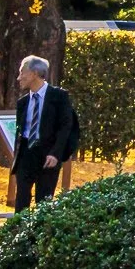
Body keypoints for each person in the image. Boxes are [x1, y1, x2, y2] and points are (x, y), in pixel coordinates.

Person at [7, 56, 80, 210]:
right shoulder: (23, 102)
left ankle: (39, 232)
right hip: (26, 153)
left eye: (22, 73)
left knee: (44, 201)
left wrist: (55, 153)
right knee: (21, 200)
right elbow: (21, 132)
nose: (19, 78)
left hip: (48, 154)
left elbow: (65, 127)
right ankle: (19, 232)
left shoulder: (59, 97)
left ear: (34, 73)